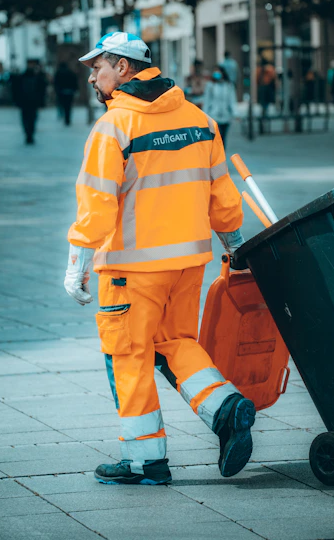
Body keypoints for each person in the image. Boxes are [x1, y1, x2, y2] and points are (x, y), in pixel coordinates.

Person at [64, 31, 255, 486]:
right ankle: (226, 408)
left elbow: (96, 203)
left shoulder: (114, 127)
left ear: (123, 69)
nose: (93, 77)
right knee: (176, 342)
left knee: (127, 355)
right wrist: (235, 247)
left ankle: (145, 462)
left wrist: (77, 264)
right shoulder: (200, 120)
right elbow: (222, 197)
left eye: (99, 67)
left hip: (132, 270)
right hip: (188, 262)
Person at [203, 65, 237, 147]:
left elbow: (232, 100)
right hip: (214, 114)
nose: (216, 74)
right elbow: (207, 100)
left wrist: (235, 113)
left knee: (223, 137)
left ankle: (222, 155)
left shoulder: (228, 85)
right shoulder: (210, 85)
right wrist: (204, 114)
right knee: (217, 136)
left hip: (226, 115)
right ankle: (217, 156)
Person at [16, 59, 47, 144]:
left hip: (24, 103)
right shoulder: (37, 78)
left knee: (25, 119)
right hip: (33, 103)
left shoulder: (21, 77)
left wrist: (18, 102)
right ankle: (30, 134)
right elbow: (42, 91)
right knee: (32, 119)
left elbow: (16, 91)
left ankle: (28, 134)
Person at [54, 62, 78, 126]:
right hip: (70, 92)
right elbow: (75, 81)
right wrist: (75, 89)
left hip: (61, 92)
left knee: (63, 105)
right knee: (68, 106)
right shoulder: (71, 73)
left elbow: (56, 82)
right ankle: (67, 118)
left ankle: (64, 116)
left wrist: (57, 91)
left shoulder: (58, 73)